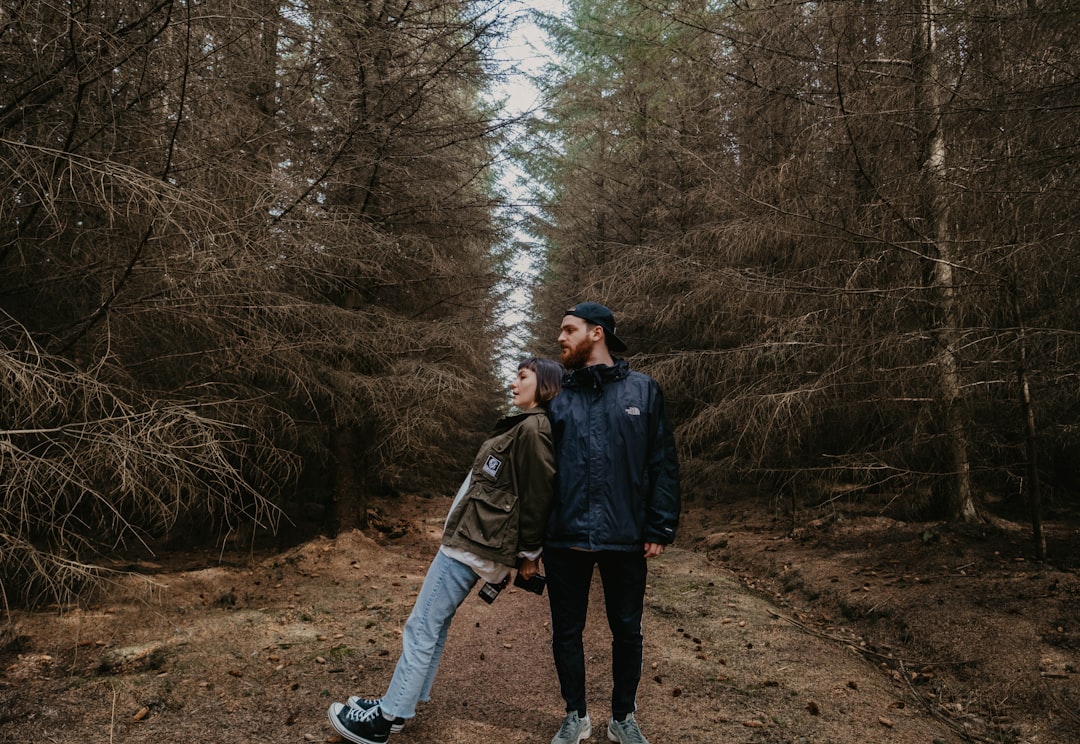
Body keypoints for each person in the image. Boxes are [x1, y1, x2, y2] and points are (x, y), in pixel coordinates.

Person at [327, 357, 563, 744]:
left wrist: (529, 554)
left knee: (421, 627)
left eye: (523, 377)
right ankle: (398, 705)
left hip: (474, 544)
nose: (514, 383)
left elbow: (539, 496)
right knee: (432, 628)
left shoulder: (535, 429)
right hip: (472, 538)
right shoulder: (526, 425)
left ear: (546, 384)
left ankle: (383, 722)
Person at [544, 302, 680, 744]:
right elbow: (537, 468)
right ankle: (575, 715)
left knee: (627, 630)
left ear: (596, 333)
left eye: (569, 330)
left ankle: (623, 718)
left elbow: (662, 463)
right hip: (564, 536)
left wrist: (660, 526)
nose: (560, 338)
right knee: (567, 631)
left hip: (625, 536)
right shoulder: (556, 396)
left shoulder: (644, 392)